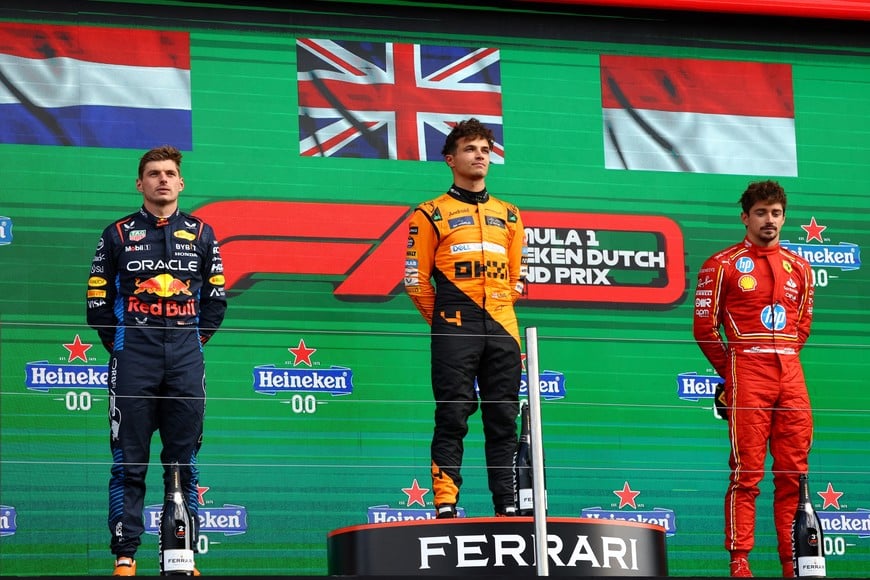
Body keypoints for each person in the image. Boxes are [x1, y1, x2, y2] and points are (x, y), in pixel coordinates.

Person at [86, 145, 227, 576]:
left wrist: (189, 343)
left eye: (169, 173)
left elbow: (217, 300)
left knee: (184, 460)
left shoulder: (203, 233)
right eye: (153, 173)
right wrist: (129, 345)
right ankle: (125, 555)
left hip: (185, 359)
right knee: (129, 460)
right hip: (134, 359)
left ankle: (180, 557)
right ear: (140, 183)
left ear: (181, 183)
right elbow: (96, 302)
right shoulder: (116, 234)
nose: (162, 179)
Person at [403, 118, 527, 518]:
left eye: (486, 150)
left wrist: (498, 310)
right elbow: (415, 281)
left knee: (504, 418)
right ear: (450, 159)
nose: (480, 156)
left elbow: (514, 278)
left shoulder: (509, 215)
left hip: (505, 328)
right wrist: (443, 320)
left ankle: (506, 504)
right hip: (455, 326)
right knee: (453, 414)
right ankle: (445, 503)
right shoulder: (430, 212)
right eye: (471, 149)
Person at [692, 180, 815, 578]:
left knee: (795, 472)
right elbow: (704, 329)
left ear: (784, 217)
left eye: (776, 213)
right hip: (747, 369)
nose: (769, 220)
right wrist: (733, 371)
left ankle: (793, 563)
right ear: (745, 218)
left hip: (790, 372)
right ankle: (739, 562)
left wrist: (781, 356)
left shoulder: (801, 267)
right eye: (761, 212)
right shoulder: (722, 264)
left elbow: (802, 327)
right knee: (747, 473)